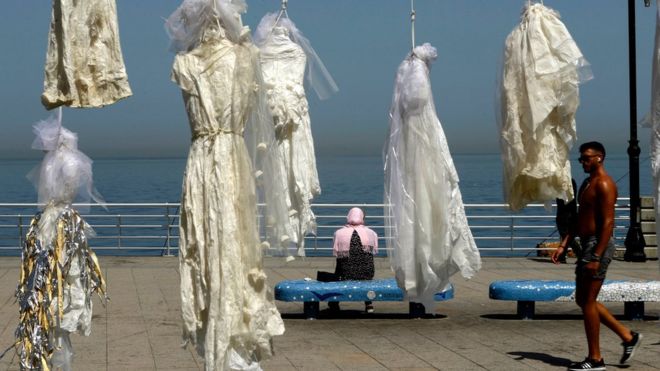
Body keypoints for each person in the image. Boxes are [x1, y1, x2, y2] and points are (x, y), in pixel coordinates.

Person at [552, 142, 643, 371]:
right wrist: (564, 244)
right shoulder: (587, 183)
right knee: (584, 300)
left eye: (586, 158)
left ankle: (595, 359)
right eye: (581, 158)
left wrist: (596, 256)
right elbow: (579, 217)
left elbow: (608, 223)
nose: (582, 162)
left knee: (588, 301)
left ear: (599, 157)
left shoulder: (604, 184)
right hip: (586, 244)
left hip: (597, 245)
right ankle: (627, 336)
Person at [330, 207, 379, 313]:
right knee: (365, 267)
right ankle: (369, 304)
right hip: (367, 274)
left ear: (349, 217)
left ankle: (334, 303)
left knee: (340, 269)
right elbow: (370, 255)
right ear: (362, 217)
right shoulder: (371, 233)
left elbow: (339, 258)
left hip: (346, 274)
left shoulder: (339, 233)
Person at [555, 178, 579, 263]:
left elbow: (564, 199)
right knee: (565, 235)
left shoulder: (564, 183)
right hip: (570, 212)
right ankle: (562, 256)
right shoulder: (571, 181)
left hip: (565, 213)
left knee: (566, 235)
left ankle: (580, 253)